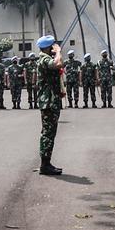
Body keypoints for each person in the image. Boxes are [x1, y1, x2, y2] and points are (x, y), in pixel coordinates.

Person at [34, 35, 64, 175]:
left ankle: (45, 164)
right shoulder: (45, 59)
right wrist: (58, 51)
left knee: (48, 133)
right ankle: (45, 165)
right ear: (48, 47)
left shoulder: (45, 58)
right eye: (52, 45)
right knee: (48, 133)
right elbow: (58, 64)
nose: (54, 47)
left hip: (50, 100)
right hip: (49, 102)